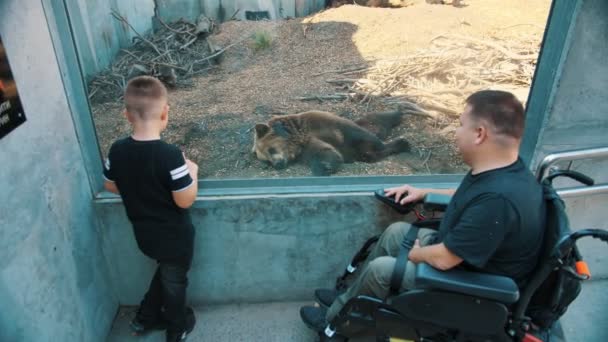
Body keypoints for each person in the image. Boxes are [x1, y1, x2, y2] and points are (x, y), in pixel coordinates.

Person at [300, 90, 546, 340]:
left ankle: (333, 326)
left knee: (381, 270)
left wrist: (417, 254)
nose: (456, 132)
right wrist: (423, 192)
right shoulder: (506, 170)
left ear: (480, 134)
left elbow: (444, 260)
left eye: (461, 125)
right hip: (469, 260)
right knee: (397, 232)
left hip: (477, 288)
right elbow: (465, 195)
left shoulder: (498, 201)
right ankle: (348, 298)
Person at [102, 76, 198, 342]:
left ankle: (146, 316)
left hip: (144, 235)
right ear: (165, 112)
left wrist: (137, 188)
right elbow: (185, 200)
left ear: (127, 115)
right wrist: (193, 172)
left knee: (166, 272)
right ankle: (177, 328)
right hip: (175, 236)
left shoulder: (117, 150)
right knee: (175, 280)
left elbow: (110, 185)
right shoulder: (170, 155)